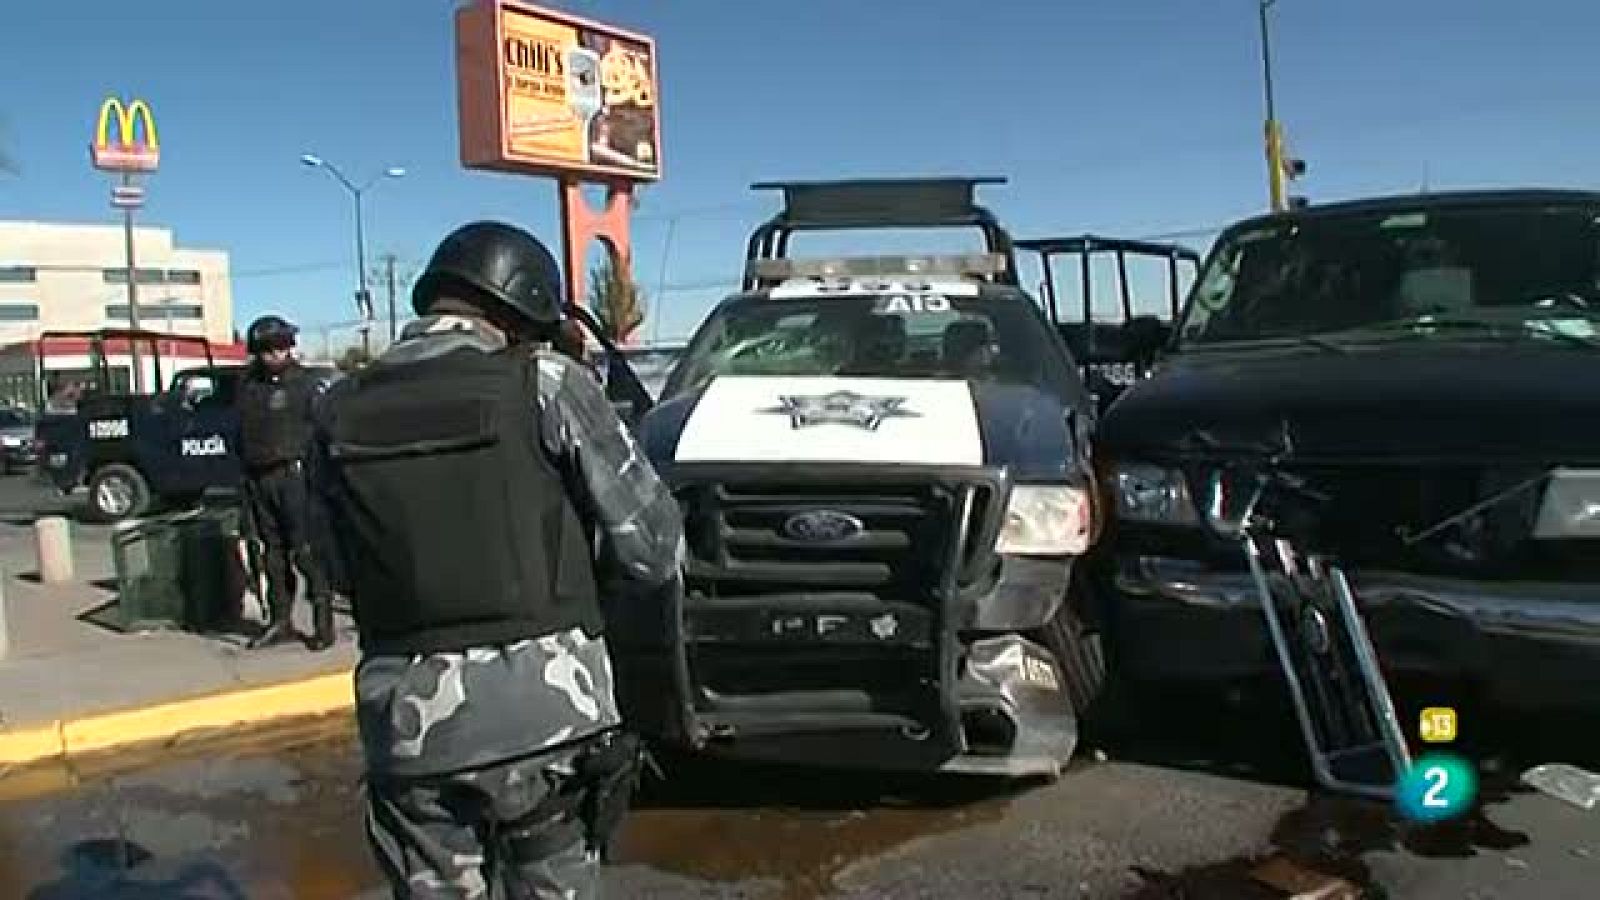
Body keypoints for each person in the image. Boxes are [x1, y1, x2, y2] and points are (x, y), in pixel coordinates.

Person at [308, 220, 684, 899]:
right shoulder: (545, 382)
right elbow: (655, 549)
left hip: (410, 731)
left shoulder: (336, 409)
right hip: (548, 723)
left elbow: (334, 570)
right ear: (525, 305)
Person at [236, 314, 336, 651]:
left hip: (296, 478)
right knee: (271, 555)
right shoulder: (248, 386)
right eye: (268, 349)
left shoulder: (306, 384)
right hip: (258, 479)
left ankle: (323, 624)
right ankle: (280, 621)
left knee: (305, 552)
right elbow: (240, 436)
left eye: (281, 347)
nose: (276, 354)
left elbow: (324, 434)